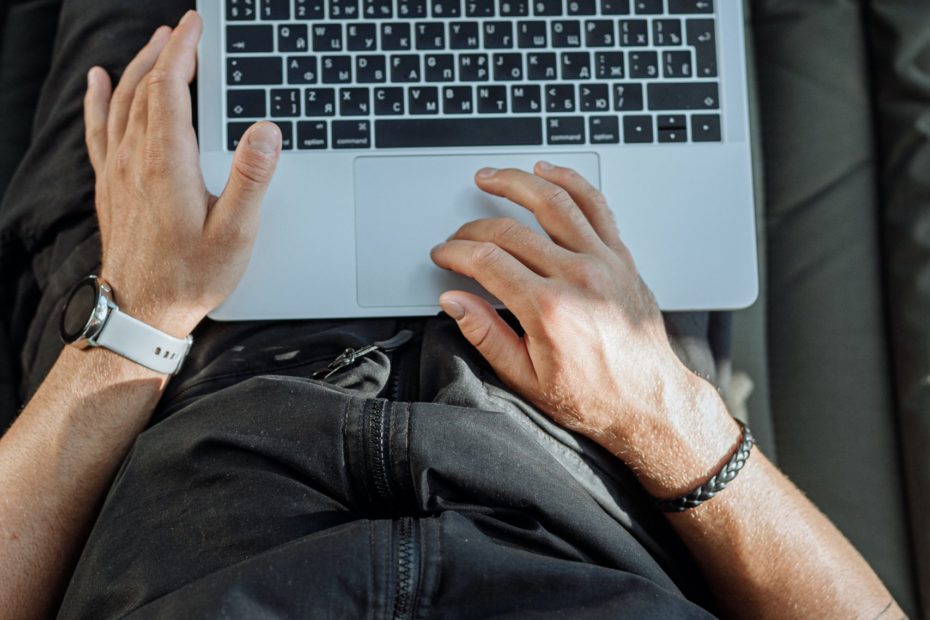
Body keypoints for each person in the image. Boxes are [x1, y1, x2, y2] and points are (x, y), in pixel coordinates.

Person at [0, 5, 903, 619]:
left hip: (166, 358)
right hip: (589, 392)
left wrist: (133, 327)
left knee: (184, 39)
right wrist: (660, 409)